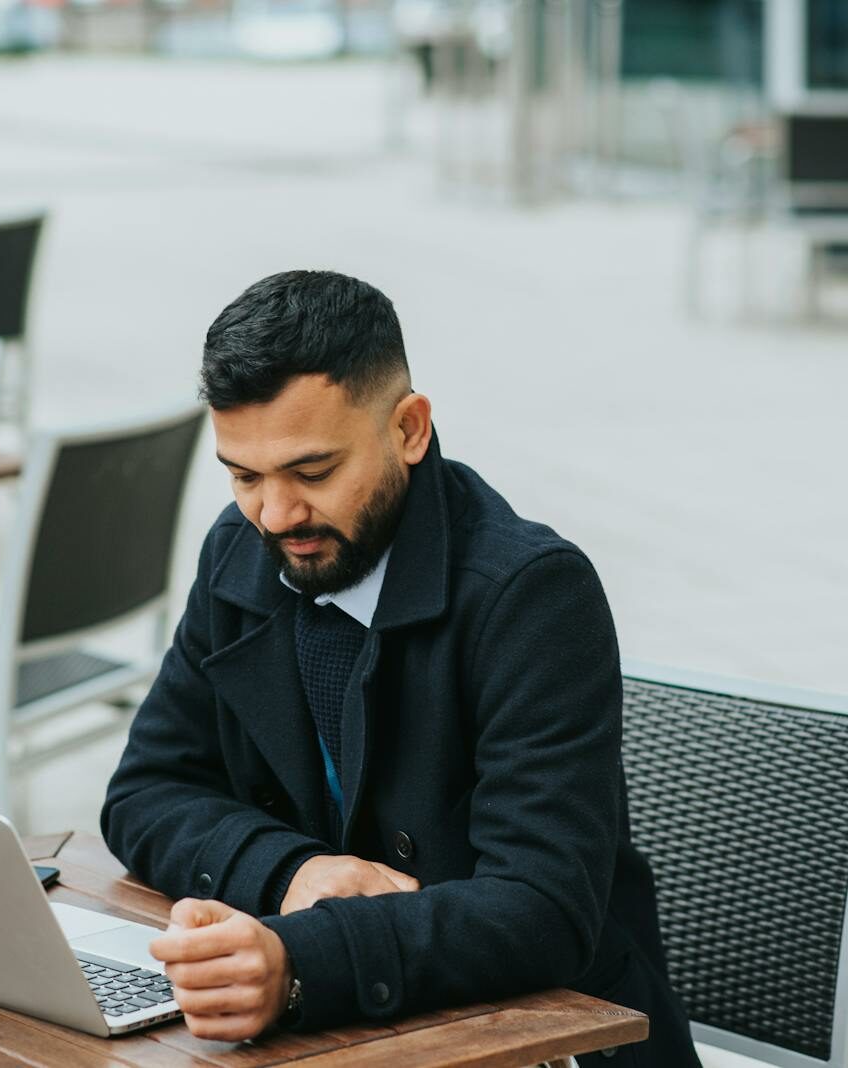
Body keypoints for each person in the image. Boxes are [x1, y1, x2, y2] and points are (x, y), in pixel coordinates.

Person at [101, 270, 700, 1066]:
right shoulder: (239, 552)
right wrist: (295, 873)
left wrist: (302, 964)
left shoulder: (534, 595)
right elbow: (145, 791)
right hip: (358, 1039)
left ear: (410, 430)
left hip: (555, 1043)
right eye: (244, 476)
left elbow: (544, 908)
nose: (275, 515)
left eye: (312, 472)